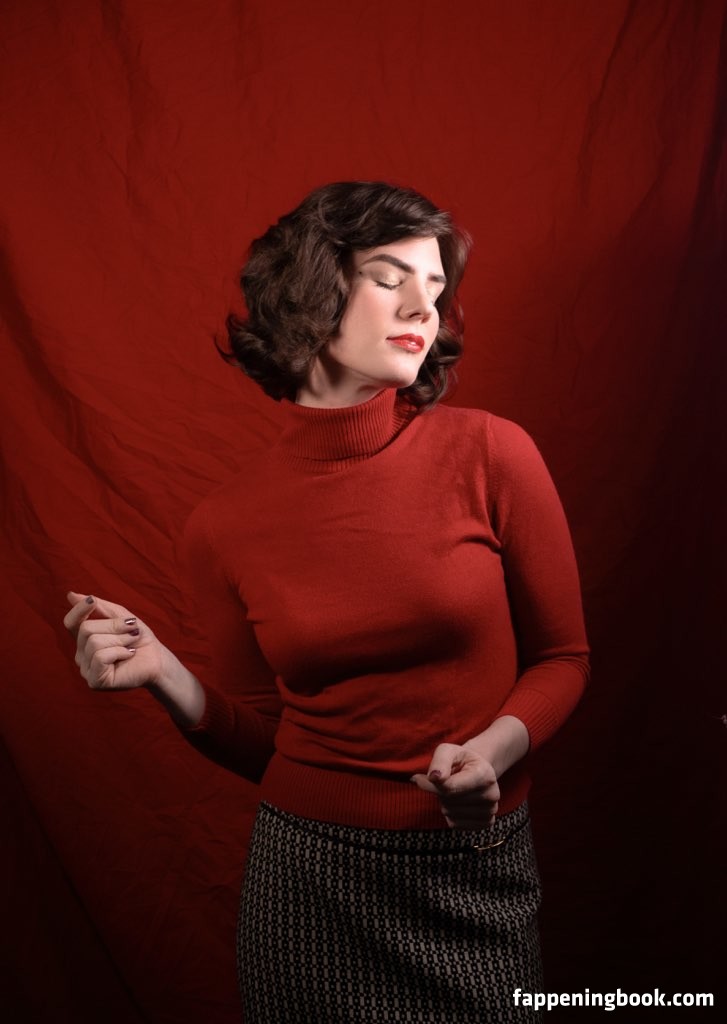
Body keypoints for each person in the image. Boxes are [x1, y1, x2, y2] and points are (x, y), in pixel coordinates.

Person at [64, 181, 590, 1023]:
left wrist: (492, 753)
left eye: (435, 285)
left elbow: (563, 658)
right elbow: (267, 739)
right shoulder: (222, 527)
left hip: (474, 870)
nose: (424, 306)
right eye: (389, 277)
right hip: (307, 884)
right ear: (311, 290)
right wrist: (165, 674)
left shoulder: (492, 453)